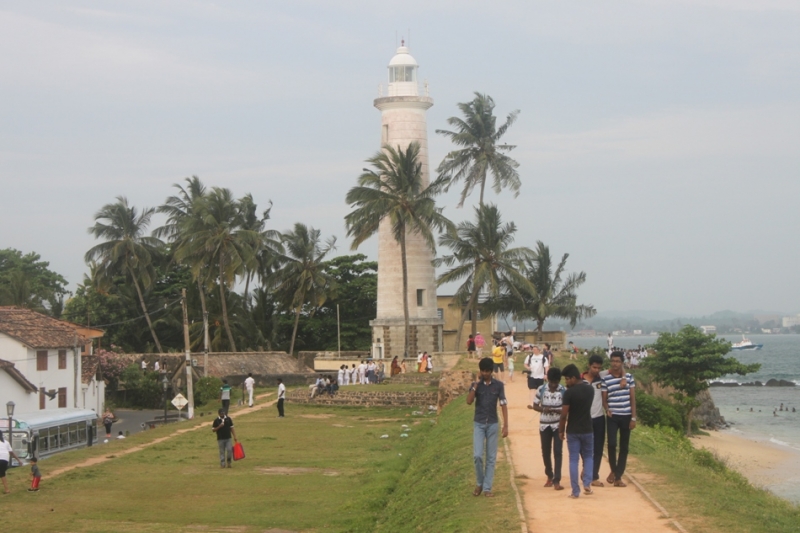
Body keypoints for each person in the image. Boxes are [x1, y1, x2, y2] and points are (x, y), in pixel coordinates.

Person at [466, 357, 509, 498]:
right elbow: (469, 401)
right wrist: (475, 386)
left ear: (491, 371)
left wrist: (505, 425)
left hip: (492, 423)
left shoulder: (499, 385)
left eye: (487, 371)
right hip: (478, 423)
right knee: (477, 455)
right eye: (483, 371)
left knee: (491, 458)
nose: (485, 373)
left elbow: (503, 404)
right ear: (480, 371)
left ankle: (487, 488)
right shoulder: (476, 385)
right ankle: (479, 483)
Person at [558, 364, 595, 499]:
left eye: (567, 379)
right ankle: (587, 483)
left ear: (574, 378)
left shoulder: (569, 393)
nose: (566, 382)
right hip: (587, 429)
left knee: (573, 460)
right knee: (588, 457)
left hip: (573, 430)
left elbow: (564, 415)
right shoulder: (590, 390)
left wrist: (561, 430)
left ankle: (575, 491)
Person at [602, 351, 637, 487]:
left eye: (617, 361)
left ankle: (618, 477)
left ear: (622, 363)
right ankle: (614, 470)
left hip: (626, 415)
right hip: (613, 416)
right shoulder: (606, 379)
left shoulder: (629, 377)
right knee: (611, 444)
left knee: (624, 447)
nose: (615, 363)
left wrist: (633, 418)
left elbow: (632, 399)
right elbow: (604, 399)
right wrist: (607, 409)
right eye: (613, 361)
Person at [534, 367, 565, 491]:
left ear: (558, 381)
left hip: (558, 425)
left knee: (558, 452)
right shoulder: (541, 389)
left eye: (555, 383)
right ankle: (549, 475)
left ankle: (557, 479)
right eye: (551, 382)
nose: (553, 385)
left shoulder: (563, 391)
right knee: (545, 451)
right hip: (544, 425)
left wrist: (558, 411)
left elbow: (567, 409)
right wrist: (543, 409)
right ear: (548, 380)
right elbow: (535, 406)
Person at [582, 354, 608, 486]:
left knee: (598, 448)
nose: (596, 370)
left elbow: (618, 368)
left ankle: (594, 476)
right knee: (585, 447)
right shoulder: (580, 380)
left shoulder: (601, 378)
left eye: (599, 368)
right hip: (585, 418)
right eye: (594, 367)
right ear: (589, 366)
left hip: (599, 418)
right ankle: (586, 469)